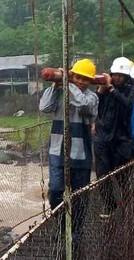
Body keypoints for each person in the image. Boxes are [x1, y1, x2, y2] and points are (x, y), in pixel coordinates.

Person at [39, 58, 99, 211]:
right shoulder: (60, 93)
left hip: (80, 154)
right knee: (56, 190)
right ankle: (59, 226)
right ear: (72, 76)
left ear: (91, 81)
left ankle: (76, 232)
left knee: (79, 196)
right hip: (57, 152)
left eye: (85, 79)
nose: (80, 81)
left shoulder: (92, 97)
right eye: (77, 77)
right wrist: (55, 85)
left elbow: (83, 104)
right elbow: (44, 107)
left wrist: (69, 84)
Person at [93, 57, 134, 215]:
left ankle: (127, 203)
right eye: (115, 74)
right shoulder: (104, 90)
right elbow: (94, 106)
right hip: (102, 137)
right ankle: (109, 205)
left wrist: (112, 89)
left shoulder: (131, 89)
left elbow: (127, 104)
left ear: (126, 77)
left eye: (121, 75)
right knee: (102, 174)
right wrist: (101, 89)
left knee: (122, 175)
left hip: (121, 139)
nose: (117, 77)